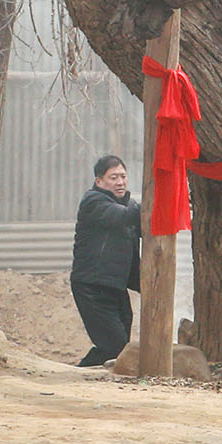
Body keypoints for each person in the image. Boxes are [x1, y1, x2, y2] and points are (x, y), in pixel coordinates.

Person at [70, 155, 141, 367]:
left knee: (118, 347)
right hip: (92, 286)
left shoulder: (129, 205)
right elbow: (124, 217)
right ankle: (80, 375)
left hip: (115, 287)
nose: (120, 182)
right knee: (115, 346)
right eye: (113, 177)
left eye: (123, 176)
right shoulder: (93, 201)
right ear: (99, 181)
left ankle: (83, 374)